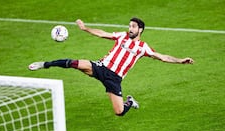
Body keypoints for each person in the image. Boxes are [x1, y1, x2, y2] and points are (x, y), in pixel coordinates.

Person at [28, 18, 194, 116]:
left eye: (133, 27)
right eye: (129, 26)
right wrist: (85, 28)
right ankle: (45, 64)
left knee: (119, 112)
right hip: (101, 67)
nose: (130, 28)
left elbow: (162, 57)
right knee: (75, 63)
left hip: (114, 79)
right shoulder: (121, 36)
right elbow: (102, 33)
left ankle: (130, 101)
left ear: (140, 30)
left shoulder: (143, 47)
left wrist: (180, 60)